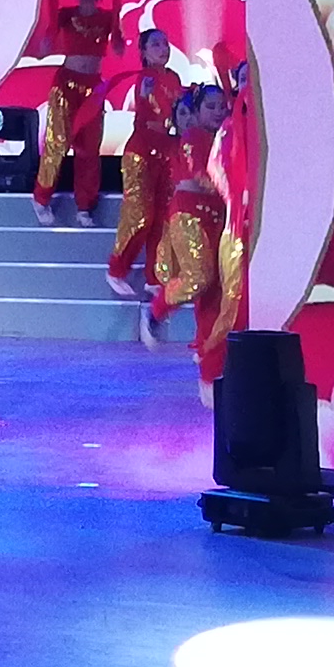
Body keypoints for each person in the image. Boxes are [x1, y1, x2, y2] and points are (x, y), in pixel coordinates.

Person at [151, 85, 237, 404]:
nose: (218, 111)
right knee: (199, 278)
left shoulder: (228, 137)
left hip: (220, 217)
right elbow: (203, 175)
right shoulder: (194, 137)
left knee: (215, 299)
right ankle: (157, 308)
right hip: (190, 214)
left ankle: (209, 375)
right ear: (198, 110)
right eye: (211, 106)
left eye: (222, 106)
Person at [31, 0, 121, 225]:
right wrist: (47, 39)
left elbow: (118, 47)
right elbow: (44, 41)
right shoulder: (65, 15)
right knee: (57, 142)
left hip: (93, 88)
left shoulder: (108, 18)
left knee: (89, 149)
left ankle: (84, 206)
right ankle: (41, 197)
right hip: (66, 85)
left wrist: (118, 41)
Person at [106, 29, 187, 299]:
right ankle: (117, 269)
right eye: (155, 44)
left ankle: (156, 276)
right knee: (140, 215)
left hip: (166, 151)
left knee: (163, 217)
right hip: (142, 152)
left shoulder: (173, 78)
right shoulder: (146, 79)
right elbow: (152, 105)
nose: (163, 48)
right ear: (143, 52)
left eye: (165, 43)